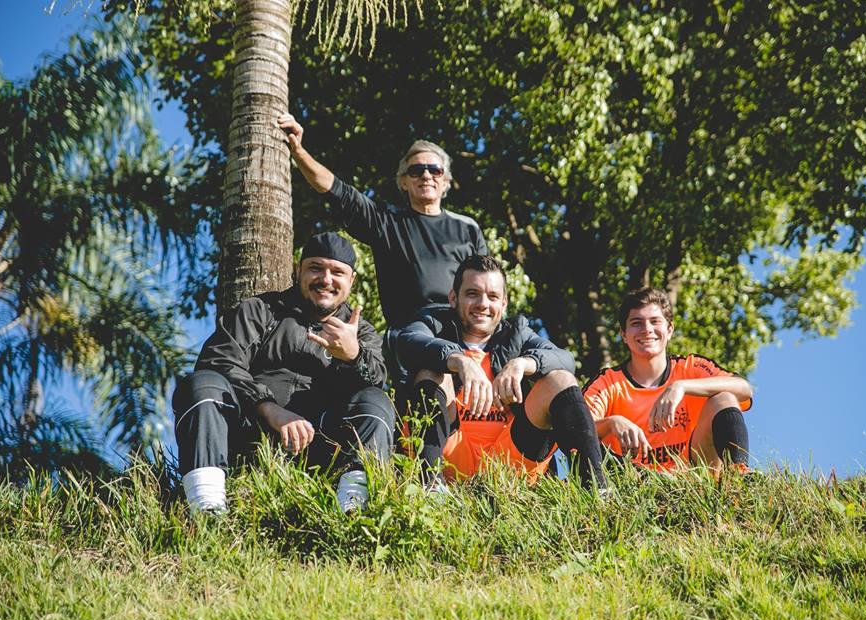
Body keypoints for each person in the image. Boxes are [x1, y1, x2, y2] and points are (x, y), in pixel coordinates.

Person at [172, 232, 395, 514]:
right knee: (203, 383)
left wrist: (354, 356)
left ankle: (352, 512)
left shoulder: (361, 333)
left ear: (351, 281)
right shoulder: (260, 310)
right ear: (298, 270)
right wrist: (267, 407)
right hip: (248, 437)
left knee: (377, 400)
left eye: (337, 272)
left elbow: (375, 385)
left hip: (324, 450)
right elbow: (219, 360)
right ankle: (207, 508)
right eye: (316, 268)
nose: (326, 279)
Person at [276, 114, 488, 385]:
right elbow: (336, 191)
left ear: (445, 181)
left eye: (434, 170)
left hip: (463, 329)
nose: (426, 175)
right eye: (416, 170)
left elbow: (489, 284)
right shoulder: (386, 222)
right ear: (403, 181)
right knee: (433, 382)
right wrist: (298, 151)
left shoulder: (467, 228)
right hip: (412, 335)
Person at [396, 255, 607, 489]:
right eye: (473, 293)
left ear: (504, 304)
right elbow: (407, 341)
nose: (483, 304)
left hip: (507, 462)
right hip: (449, 454)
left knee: (560, 378)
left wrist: (523, 364)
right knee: (432, 372)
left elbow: (565, 359)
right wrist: (458, 360)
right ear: (453, 298)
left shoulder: (517, 334)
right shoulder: (433, 324)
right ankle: (429, 486)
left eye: (493, 296)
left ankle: (596, 487)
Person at [583, 287, 754, 472]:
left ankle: (739, 474)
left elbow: (744, 388)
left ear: (670, 329)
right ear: (624, 334)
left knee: (724, 398)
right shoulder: (607, 382)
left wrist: (680, 386)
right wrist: (611, 423)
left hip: (695, 473)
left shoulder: (690, 368)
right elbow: (577, 430)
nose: (647, 329)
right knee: (585, 437)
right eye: (636, 323)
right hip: (633, 479)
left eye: (655, 321)